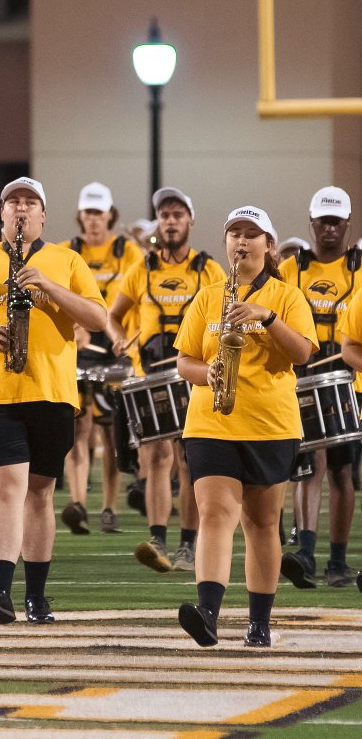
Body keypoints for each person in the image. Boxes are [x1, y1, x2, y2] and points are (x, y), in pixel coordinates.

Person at [0, 177, 107, 626]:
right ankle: (0, 589)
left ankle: (36, 597)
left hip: (51, 390)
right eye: (13, 202)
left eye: (30, 202)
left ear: (43, 215)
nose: (21, 209)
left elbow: (97, 318)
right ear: (1, 214)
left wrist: (49, 286)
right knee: (7, 489)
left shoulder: (67, 259)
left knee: (39, 494)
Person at [174, 207, 315, 648]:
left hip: (270, 423)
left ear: (268, 245)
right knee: (215, 515)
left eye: (252, 234)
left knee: (261, 523)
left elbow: (303, 354)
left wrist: (266, 317)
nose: (241, 241)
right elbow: (184, 361)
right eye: (234, 232)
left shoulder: (286, 296)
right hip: (211, 420)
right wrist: (207, 373)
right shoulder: (207, 295)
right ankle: (208, 614)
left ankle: (259, 623)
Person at [107, 187, 224, 574]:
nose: (170, 221)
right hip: (151, 374)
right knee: (155, 457)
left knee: (190, 460)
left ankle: (188, 546)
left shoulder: (209, 268)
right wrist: (118, 338)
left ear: (190, 220)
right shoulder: (140, 269)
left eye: (177, 214)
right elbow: (114, 314)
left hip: (192, 373)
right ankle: (158, 539)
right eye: (165, 215)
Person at [278, 186, 360, 589]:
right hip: (305, 379)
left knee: (342, 471)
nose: (329, 229)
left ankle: (338, 560)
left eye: (336, 221)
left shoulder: (359, 267)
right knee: (311, 464)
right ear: (311, 224)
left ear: (347, 225)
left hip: (350, 381)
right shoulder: (292, 268)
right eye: (323, 221)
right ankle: (306, 554)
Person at [62, 181, 144, 535]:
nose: (93, 219)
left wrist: (123, 337)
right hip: (77, 346)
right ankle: (78, 502)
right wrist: (74, 328)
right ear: (80, 216)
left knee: (111, 432)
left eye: (99, 212)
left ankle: (109, 506)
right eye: (88, 212)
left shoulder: (128, 251)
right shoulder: (67, 251)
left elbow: (139, 296)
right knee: (77, 426)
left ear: (111, 214)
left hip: (116, 347)